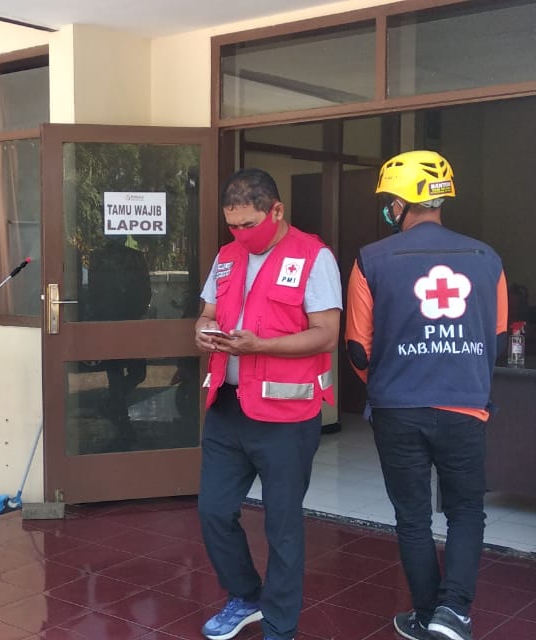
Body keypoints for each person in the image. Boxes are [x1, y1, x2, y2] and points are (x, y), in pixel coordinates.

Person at [344, 150, 508, 640]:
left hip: (397, 410)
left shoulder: (369, 260)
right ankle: (452, 612)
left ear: (402, 201)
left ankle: (424, 614)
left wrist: (390, 383)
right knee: (464, 511)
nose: (386, 209)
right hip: (464, 406)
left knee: (412, 516)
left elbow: (357, 349)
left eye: (388, 201)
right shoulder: (487, 258)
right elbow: (496, 338)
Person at [195, 168, 342, 640]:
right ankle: (244, 595)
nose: (240, 234)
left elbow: (326, 333)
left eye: (249, 224)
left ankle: (280, 625)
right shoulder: (226, 257)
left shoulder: (313, 256)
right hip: (227, 407)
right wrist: (201, 333)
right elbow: (207, 315)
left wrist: (260, 347)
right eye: (232, 225)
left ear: (276, 211)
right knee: (214, 511)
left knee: (282, 525)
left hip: (287, 417)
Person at [85, 235, 152, 446]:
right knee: (115, 373)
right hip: (109, 321)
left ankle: (112, 406)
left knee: (138, 372)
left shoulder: (136, 258)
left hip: (130, 321)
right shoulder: (98, 257)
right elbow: (93, 291)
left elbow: (145, 291)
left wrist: (136, 313)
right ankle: (125, 428)